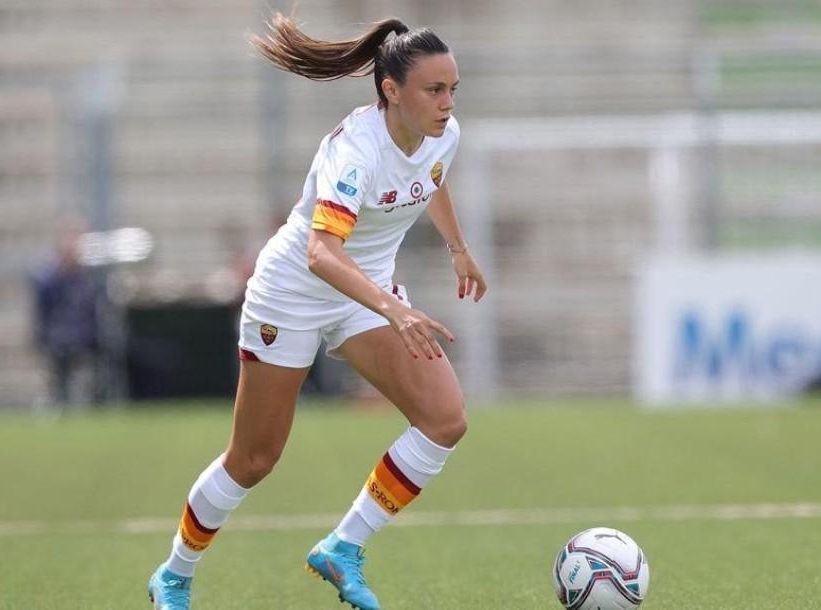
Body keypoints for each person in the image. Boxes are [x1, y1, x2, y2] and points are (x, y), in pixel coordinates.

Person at [147, 15, 486, 610]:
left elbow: (431, 179)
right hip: (294, 292)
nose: (447, 102)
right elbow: (321, 253)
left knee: (444, 419)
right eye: (434, 90)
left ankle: (343, 547)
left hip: (366, 293)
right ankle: (174, 574)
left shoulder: (444, 133)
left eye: (452, 89)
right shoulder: (354, 153)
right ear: (391, 91)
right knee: (255, 458)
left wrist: (459, 249)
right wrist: (393, 309)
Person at [30, 223, 101, 406]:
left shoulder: (87, 278)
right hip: (56, 337)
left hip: (82, 337)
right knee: (56, 381)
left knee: (82, 381)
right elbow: (43, 308)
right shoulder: (49, 278)